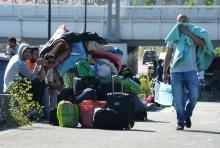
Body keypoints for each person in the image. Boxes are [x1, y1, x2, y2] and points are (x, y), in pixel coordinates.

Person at [163, 14, 215, 130]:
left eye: (184, 21)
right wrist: (164, 72)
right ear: (176, 23)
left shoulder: (193, 32)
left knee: (194, 96)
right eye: (180, 22)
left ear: (188, 22)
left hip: (191, 71)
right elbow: (168, 55)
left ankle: (187, 115)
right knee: (178, 99)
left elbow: (201, 43)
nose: (182, 24)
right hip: (176, 72)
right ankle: (180, 122)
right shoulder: (173, 35)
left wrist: (187, 32)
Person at [44, 54, 62, 125]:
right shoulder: (42, 67)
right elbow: (44, 82)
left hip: (46, 86)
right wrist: (56, 86)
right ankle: (48, 114)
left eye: (53, 62)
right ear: (45, 61)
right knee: (47, 90)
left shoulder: (51, 69)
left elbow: (50, 81)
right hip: (40, 87)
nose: (51, 64)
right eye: (49, 62)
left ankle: (53, 113)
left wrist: (57, 86)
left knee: (54, 90)